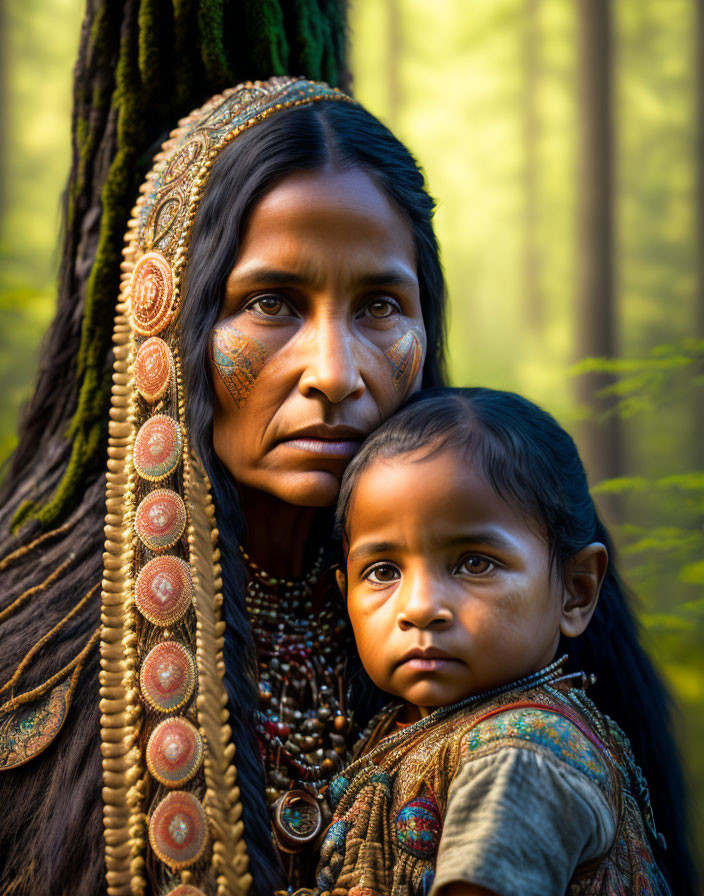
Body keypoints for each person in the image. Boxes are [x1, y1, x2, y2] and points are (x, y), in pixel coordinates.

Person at [0, 77, 446, 896]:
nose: (335, 374)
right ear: (172, 325)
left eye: (381, 305)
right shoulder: (31, 656)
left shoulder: (508, 588)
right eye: (272, 302)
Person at [313, 387, 697, 895]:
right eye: (383, 571)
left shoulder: (521, 755)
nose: (421, 607)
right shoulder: (400, 728)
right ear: (345, 594)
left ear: (576, 591)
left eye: (474, 563)